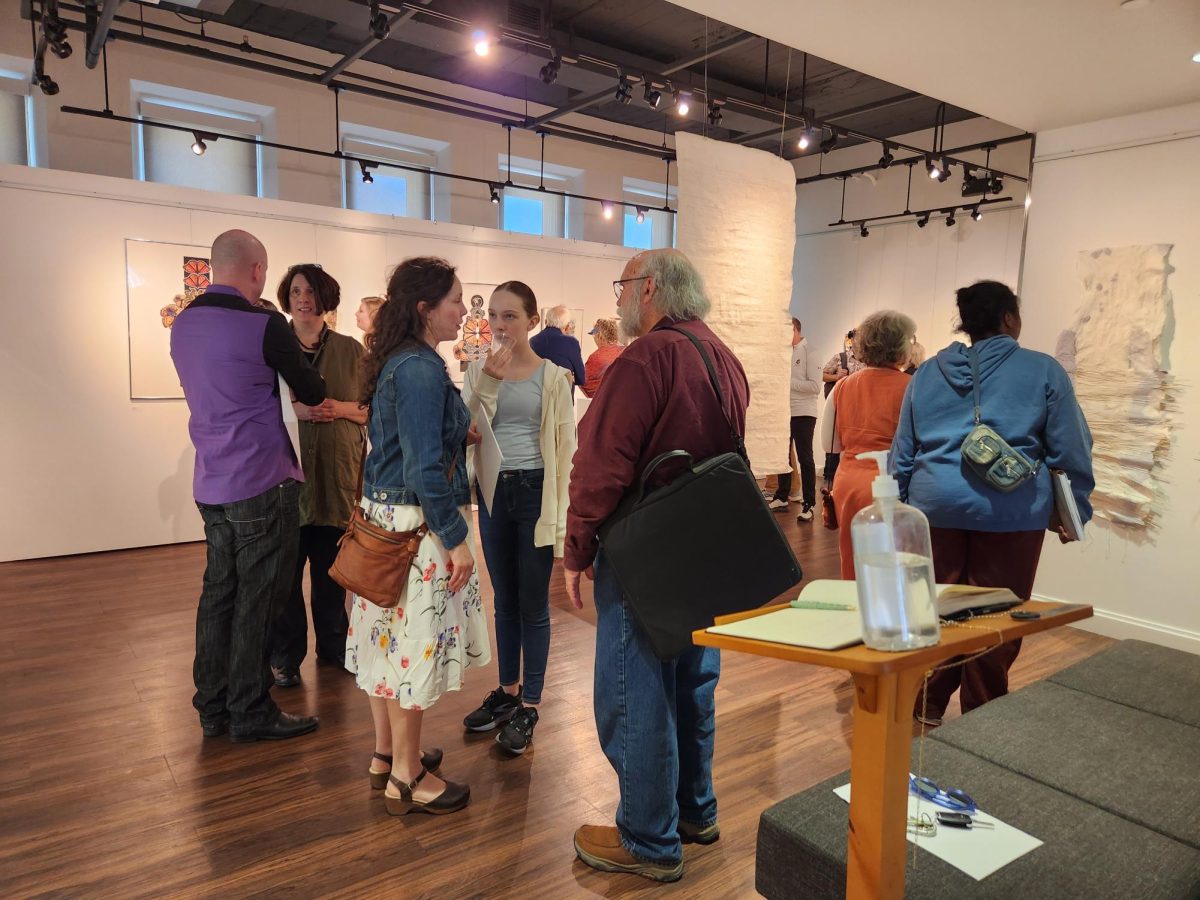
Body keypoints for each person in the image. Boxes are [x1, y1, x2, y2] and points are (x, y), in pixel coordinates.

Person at [564, 249, 749, 883]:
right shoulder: (720, 353)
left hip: (646, 547)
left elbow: (601, 463)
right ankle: (694, 811)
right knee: (693, 677)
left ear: (649, 290)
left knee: (633, 684)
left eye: (623, 284)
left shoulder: (646, 356)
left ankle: (647, 837)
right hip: (705, 545)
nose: (618, 296)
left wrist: (578, 547)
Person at [892, 281, 1094, 724]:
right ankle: (983, 720)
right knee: (997, 617)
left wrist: (900, 508)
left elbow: (903, 450)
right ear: (1009, 318)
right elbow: (1070, 448)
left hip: (933, 508)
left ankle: (924, 709)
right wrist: (1074, 508)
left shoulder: (927, 372)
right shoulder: (1042, 370)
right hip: (1010, 511)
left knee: (940, 612)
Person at [347, 256, 492, 816]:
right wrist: (456, 537)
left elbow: (410, 445)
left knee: (384, 645)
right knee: (411, 650)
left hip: (384, 524)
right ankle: (408, 777)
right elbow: (423, 469)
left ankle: (387, 754)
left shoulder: (404, 361)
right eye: (455, 302)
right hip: (414, 528)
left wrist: (459, 428)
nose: (463, 312)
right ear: (424, 308)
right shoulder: (419, 369)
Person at [169, 229, 324, 743]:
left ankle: (213, 708)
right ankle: (251, 707)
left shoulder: (183, 323)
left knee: (218, 593)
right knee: (258, 595)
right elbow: (312, 388)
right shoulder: (264, 323)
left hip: (211, 479)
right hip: (261, 477)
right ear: (257, 270)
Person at [461, 282, 576, 755]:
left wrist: (565, 521)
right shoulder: (476, 369)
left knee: (533, 604)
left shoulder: (553, 377)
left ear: (532, 321)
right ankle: (507, 692)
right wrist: (487, 379)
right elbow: (469, 428)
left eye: (510, 316)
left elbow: (565, 450)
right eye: (494, 315)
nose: (501, 325)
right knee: (504, 599)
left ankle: (530, 703)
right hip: (493, 493)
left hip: (534, 491)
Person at [269, 264, 366, 688]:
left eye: (310, 290)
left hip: (335, 477)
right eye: (295, 291)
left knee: (332, 571)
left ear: (326, 297)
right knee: (285, 577)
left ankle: (334, 645)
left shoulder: (351, 350)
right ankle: (287, 656)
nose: (302, 298)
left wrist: (335, 408)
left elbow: (370, 408)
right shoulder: (272, 346)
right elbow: (258, 406)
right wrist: (297, 411)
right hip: (286, 477)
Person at [821, 311, 915, 579]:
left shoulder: (843, 386)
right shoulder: (912, 387)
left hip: (849, 483)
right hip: (894, 484)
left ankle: (857, 614)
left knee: (853, 561)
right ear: (899, 345)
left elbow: (830, 444)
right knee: (893, 568)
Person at [767, 317, 822, 520]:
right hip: (785, 411)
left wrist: (787, 382)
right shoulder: (786, 352)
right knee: (782, 456)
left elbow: (815, 387)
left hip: (804, 413)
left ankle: (809, 504)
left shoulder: (811, 352)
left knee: (805, 457)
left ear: (794, 329)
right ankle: (782, 495)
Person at [821, 329, 864, 486]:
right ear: (852, 340)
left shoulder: (870, 361)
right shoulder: (840, 358)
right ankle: (830, 477)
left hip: (860, 409)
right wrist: (836, 376)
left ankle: (851, 477)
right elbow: (822, 375)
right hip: (839, 407)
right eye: (858, 338)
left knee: (854, 443)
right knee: (834, 441)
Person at [530, 305, 586, 396]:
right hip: (563, 396)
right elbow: (581, 377)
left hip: (538, 396)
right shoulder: (571, 342)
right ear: (567, 326)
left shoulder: (533, 341)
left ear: (545, 322)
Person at [581, 317, 624, 397]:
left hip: (603, 402)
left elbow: (587, 385)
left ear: (599, 335)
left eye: (594, 335)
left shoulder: (596, 357)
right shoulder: (625, 351)